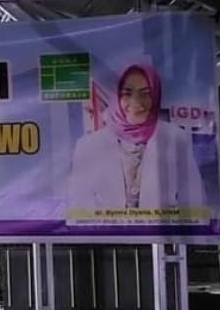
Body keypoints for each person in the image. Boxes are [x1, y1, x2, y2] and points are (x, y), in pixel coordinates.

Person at [66, 63, 205, 219]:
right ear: (116, 97)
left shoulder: (175, 138)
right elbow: (78, 208)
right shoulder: (88, 146)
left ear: (156, 96)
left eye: (146, 93)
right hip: (105, 239)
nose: (136, 102)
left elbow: (194, 202)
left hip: (161, 238)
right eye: (127, 93)